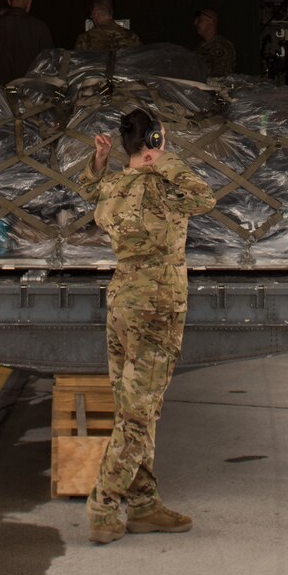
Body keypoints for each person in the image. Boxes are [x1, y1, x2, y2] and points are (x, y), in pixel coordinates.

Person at [79, 108, 214, 545]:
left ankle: (143, 505)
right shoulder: (162, 187)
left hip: (123, 298)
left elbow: (89, 190)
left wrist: (99, 162)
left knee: (132, 405)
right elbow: (204, 196)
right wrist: (166, 158)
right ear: (155, 139)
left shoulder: (117, 186)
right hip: (157, 301)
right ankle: (104, 505)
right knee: (140, 413)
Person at [0, 0, 54, 85]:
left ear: (9, 1)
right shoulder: (39, 27)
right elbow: (49, 61)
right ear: (29, 2)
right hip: (29, 90)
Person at [75, 0, 141, 52]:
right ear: (111, 12)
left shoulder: (85, 39)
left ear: (95, 13)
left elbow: (78, 64)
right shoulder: (132, 37)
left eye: (91, 14)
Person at [192, 8, 236, 78]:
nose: (195, 23)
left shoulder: (223, 47)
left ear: (210, 22)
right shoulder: (200, 47)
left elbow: (221, 78)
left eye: (200, 20)